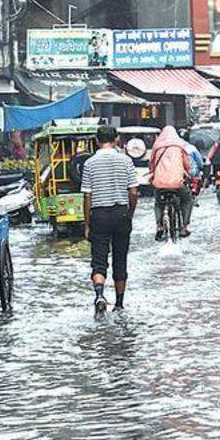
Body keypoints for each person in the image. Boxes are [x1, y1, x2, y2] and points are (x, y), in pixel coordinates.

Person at [81, 126, 139, 314]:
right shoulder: (126, 160)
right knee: (120, 259)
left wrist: (87, 224)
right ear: (116, 140)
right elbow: (133, 192)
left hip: (99, 215)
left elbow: (87, 196)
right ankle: (119, 303)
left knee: (99, 260)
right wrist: (129, 214)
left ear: (97, 141)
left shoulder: (89, 163)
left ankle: (99, 295)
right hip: (120, 214)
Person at [149, 126, 193, 240]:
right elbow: (187, 165)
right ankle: (184, 227)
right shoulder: (180, 145)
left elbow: (151, 164)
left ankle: (159, 226)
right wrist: (186, 174)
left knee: (158, 202)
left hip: (160, 184)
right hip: (177, 183)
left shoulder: (157, 146)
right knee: (188, 199)